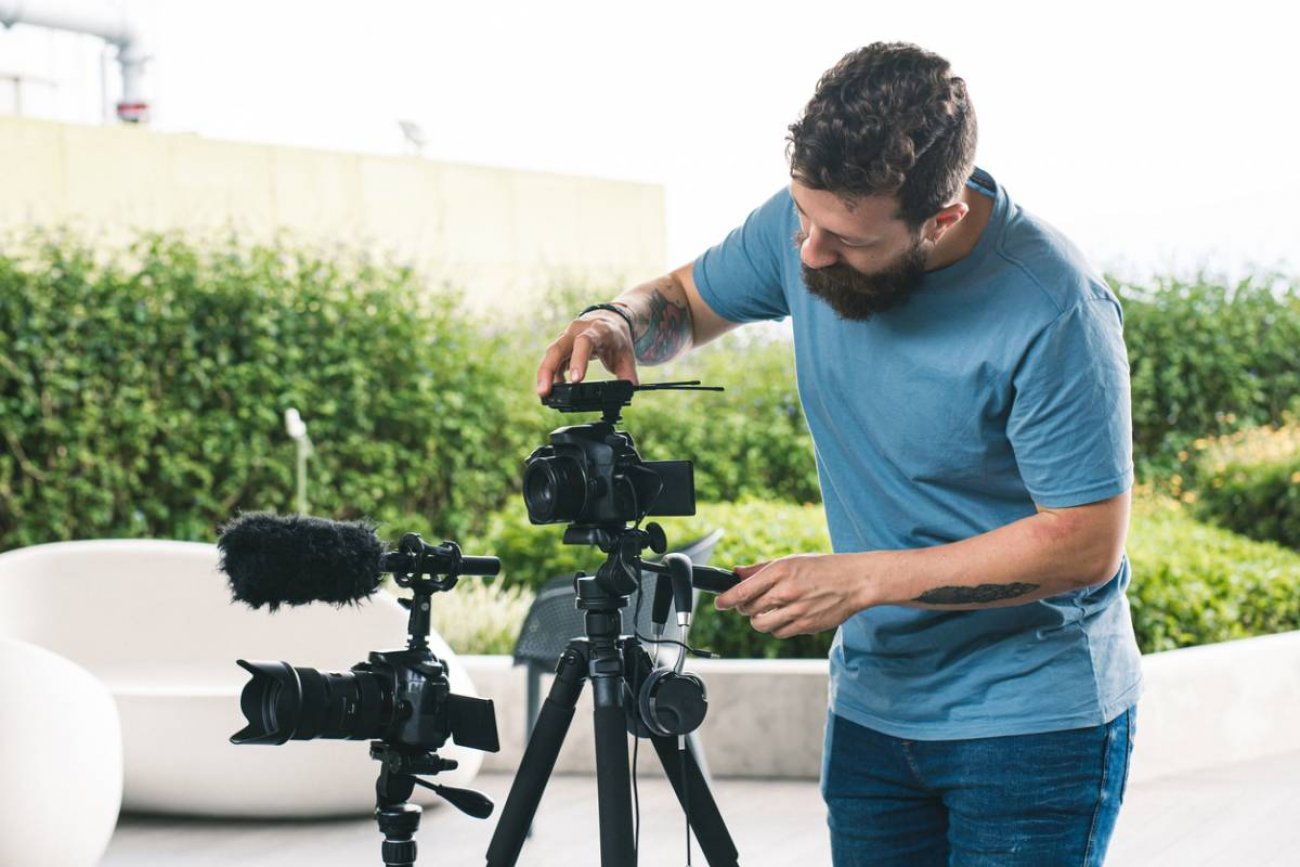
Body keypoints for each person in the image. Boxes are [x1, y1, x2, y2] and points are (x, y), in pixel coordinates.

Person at [534, 41, 1140, 867]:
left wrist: (862, 578)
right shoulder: (811, 224)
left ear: (943, 216)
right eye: (803, 217)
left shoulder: (1054, 305)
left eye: (846, 238)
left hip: (1031, 726)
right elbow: (680, 299)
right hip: (873, 711)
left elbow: (1085, 540)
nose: (809, 252)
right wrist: (618, 319)